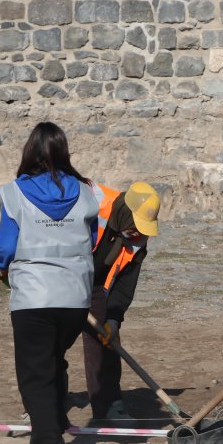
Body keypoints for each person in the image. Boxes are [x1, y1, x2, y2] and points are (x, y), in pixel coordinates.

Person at [0, 122, 99, 444]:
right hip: (75, 298)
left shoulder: (13, 193)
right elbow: (92, 240)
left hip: (33, 298)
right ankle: (55, 423)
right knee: (54, 361)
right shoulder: (86, 193)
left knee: (35, 374)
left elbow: (6, 247)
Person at [82, 181, 161, 425]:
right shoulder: (90, 207)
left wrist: (114, 318)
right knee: (52, 340)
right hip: (65, 277)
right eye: (135, 225)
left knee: (104, 339)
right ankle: (44, 403)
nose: (138, 233)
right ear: (125, 212)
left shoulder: (138, 237)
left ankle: (109, 404)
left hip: (96, 284)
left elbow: (126, 282)